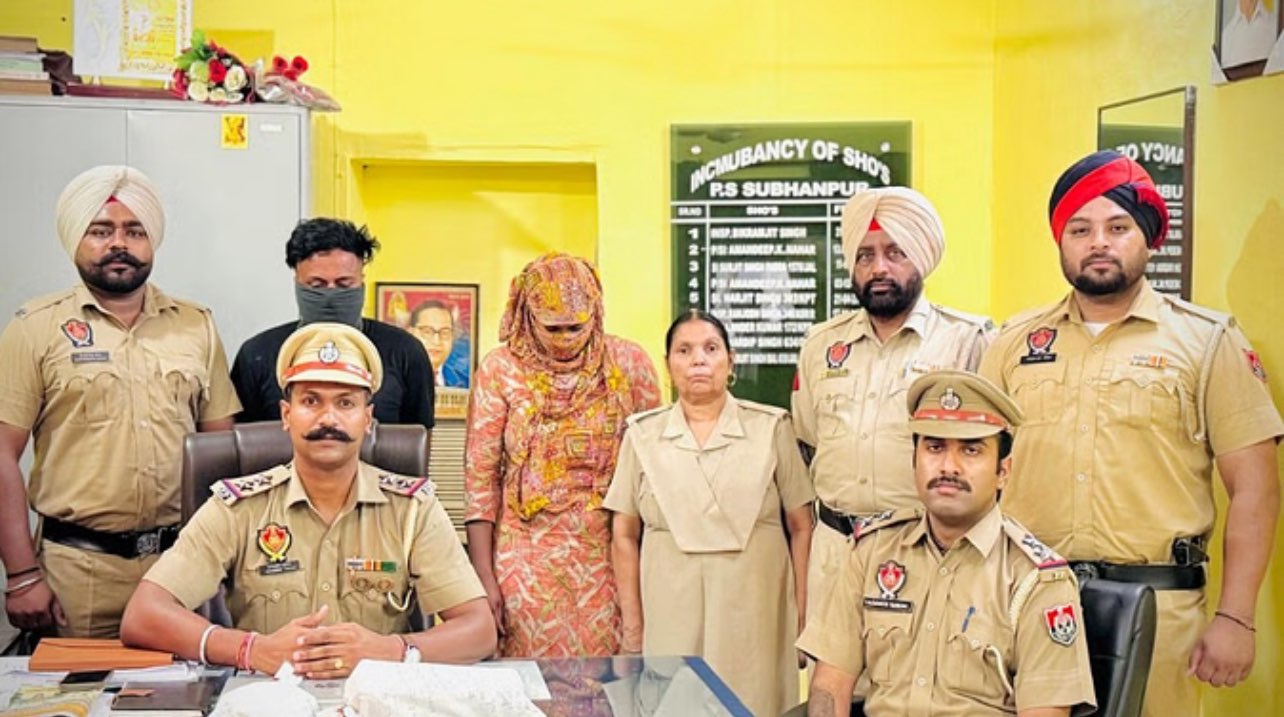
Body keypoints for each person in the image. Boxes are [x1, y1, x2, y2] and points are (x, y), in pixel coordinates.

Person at [979, 149, 1283, 717]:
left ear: (1147, 238)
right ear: (1060, 242)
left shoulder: (1207, 342)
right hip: (1027, 604)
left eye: (1118, 227)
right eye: (1080, 229)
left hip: (1159, 614)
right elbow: (977, 473)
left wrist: (1236, 617)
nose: (1099, 242)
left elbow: (1255, 489)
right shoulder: (1013, 343)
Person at [121, 322, 494, 674]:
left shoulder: (413, 509)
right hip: (267, 698)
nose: (328, 419)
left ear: (368, 419)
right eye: (311, 401)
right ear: (286, 415)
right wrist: (249, 649)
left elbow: (479, 631)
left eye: (345, 403)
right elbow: (143, 614)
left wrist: (392, 650)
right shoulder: (237, 508)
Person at [0, 166, 241, 637]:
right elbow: (2, 454)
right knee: (80, 686)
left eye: (135, 231)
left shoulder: (196, 325)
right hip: (77, 575)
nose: (119, 244)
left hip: (180, 568)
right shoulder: (35, 328)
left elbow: (222, 453)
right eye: (100, 231)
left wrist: (224, 559)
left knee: (184, 684)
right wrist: (22, 574)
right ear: (75, 238)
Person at [799, 370, 1096, 717]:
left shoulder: (1037, 580)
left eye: (971, 450)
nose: (949, 467)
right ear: (914, 460)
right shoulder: (872, 551)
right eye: (935, 448)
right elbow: (830, 684)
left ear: (1003, 471)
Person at [792, 186, 995, 627]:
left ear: (921, 256)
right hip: (835, 551)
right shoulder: (821, 345)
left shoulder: (967, 341)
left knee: (919, 670)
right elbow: (809, 434)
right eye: (865, 255)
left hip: (926, 551)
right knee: (830, 670)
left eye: (895, 252)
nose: (878, 268)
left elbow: (990, 456)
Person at [605, 310, 814, 717]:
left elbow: (802, 526)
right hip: (670, 612)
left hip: (757, 612)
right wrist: (633, 629)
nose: (698, 360)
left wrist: (805, 618)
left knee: (756, 703)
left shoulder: (771, 428)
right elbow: (623, 535)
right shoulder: (642, 436)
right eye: (684, 350)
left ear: (731, 362)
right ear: (668, 365)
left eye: (711, 348)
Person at [464, 252, 661, 657]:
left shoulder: (629, 364)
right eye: (553, 328)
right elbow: (480, 480)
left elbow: (655, 469)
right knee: (527, 676)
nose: (566, 339)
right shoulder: (501, 370)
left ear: (596, 312)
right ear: (528, 316)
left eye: (577, 326)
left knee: (609, 676)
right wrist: (482, 577)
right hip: (524, 557)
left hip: (611, 554)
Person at [230, 218, 435, 432]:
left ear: (361, 282)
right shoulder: (257, 355)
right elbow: (242, 444)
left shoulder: (405, 352)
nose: (330, 294)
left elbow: (418, 442)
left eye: (343, 284)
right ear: (297, 282)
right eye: (316, 285)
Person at [410, 299, 470, 388]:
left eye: (445, 333)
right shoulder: (395, 379)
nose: (437, 341)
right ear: (410, 333)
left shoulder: (464, 381)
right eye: (427, 332)